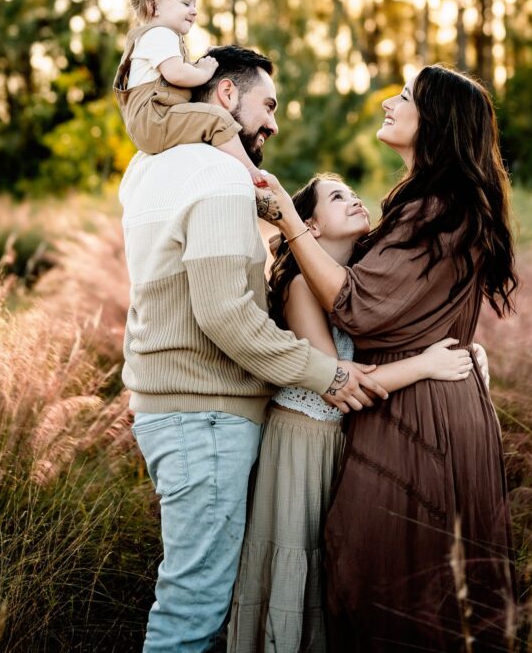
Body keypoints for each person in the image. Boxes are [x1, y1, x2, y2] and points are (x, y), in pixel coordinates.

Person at [120, 45, 388, 653]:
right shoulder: (214, 173)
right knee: (193, 609)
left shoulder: (145, 167)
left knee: (194, 594)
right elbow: (226, 314)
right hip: (205, 417)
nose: (271, 122)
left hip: (174, 412)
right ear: (223, 95)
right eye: (266, 106)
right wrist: (329, 375)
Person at [261, 65, 518, 652]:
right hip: (428, 393)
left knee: (394, 583)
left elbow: (356, 305)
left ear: (436, 121)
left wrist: (286, 216)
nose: (388, 102)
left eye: (404, 96)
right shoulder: (432, 204)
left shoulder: (438, 207)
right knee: (403, 579)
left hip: (420, 410)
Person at [228, 173, 490, 653]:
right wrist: (426, 365)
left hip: (344, 446)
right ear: (310, 225)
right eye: (336, 197)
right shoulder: (301, 286)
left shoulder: (362, 283)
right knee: (297, 563)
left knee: (332, 565)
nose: (353, 199)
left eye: (351, 192)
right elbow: (339, 387)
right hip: (303, 445)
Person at [113, 0, 266, 183]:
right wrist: (203, 72)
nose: (194, 11)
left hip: (151, 123)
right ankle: (250, 172)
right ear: (153, 7)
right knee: (217, 119)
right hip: (155, 119)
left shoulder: (154, 39)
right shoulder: (159, 34)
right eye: (186, 3)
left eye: (195, 4)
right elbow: (176, 74)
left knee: (200, 120)